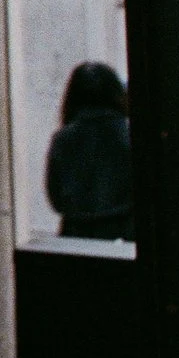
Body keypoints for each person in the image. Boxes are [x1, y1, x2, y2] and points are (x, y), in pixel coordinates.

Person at [46, 60, 135, 241]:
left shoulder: (63, 139)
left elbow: (55, 197)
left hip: (76, 236)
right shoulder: (129, 135)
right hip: (123, 235)